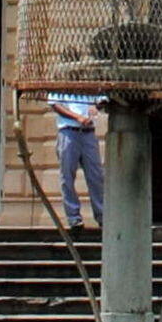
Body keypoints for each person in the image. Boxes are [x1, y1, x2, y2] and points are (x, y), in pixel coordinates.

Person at [49, 90, 105, 230]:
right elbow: (55, 105)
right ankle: (73, 217)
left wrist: (95, 107)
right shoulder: (60, 84)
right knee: (67, 175)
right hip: (68, 131)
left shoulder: (89, 84)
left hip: (88, 133)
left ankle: (102, 215)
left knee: (96, 176)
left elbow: (103, 99)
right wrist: (77, 117)